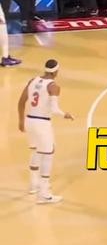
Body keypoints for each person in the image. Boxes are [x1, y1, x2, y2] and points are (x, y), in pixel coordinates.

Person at [17, 59, 74, 204]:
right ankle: (44, 194)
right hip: (42, 123)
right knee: (48, 153)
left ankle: (33, 185)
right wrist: (65, 114)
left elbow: (21, 101)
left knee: (36, 151)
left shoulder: (33, 80)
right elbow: (54, 109)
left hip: (29, 120)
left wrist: (21, 121)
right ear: (56, 71)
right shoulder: (54, 87)